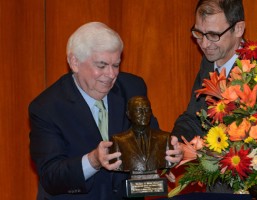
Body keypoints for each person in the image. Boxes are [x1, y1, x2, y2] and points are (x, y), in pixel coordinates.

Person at [29, 22, 182, 200]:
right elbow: (51, 176)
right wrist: (93, 160)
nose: (111, 75)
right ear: (74, 62)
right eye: (101, 66)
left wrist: (168, 158)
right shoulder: (47, 107)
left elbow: (150, 138)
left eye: (116, 65)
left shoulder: (133, 88)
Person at [171, 0, 245, 194]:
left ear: (238, 29)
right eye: (198, 33)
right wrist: (175, 145)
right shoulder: (208, 63)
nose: (204, 44)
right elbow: (194, 118)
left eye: (213, 35)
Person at [110, 96, 173, 172]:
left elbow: (170, 164)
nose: (144, 114)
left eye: (147, 110)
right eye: (139, 110)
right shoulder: (118, 140)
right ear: (129, 114)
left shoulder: (164, 138)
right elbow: (116, 166)